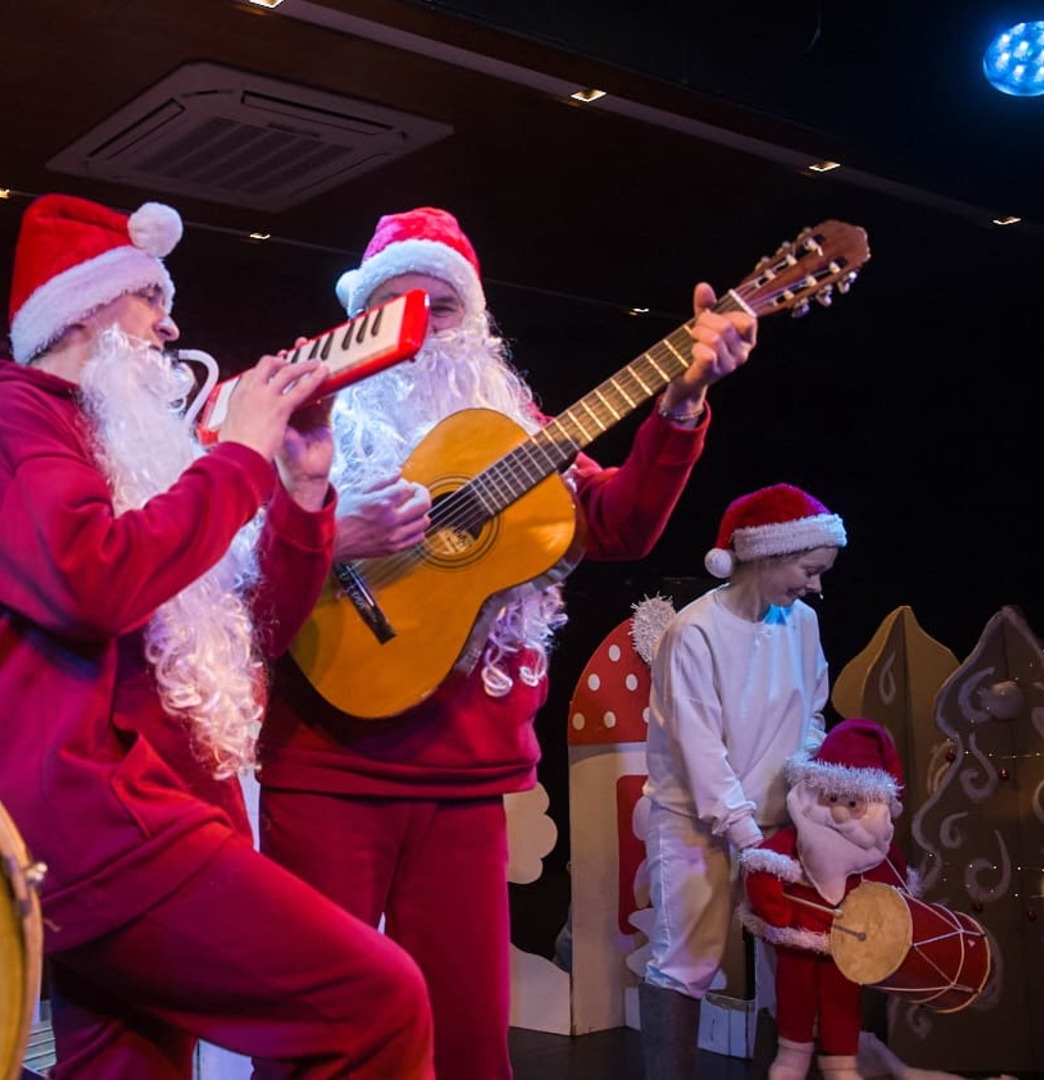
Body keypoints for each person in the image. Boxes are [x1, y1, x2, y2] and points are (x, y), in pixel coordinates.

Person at [0, 193, 432, 1078]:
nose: (171, 325)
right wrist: (238, 457)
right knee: (376, 1002)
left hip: (152, 807)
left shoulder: (119, 441)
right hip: (99, 823)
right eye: (150, 298)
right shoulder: (9, 416)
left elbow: (259, 630)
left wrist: (302, 491)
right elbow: (92, 581)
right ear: (84, 308)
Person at [254, 206, 758, 1079]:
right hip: (328, 760)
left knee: (470, 1036)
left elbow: (618, 523)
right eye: (394, 308)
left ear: (477, 322)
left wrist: (682, 406)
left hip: (465, 775)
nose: (419, 327)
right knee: (319, 1036)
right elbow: (242, 572)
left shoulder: (514, 427)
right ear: (359, 322)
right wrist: (333, 532)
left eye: (441, 306)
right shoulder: (305, 422)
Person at [638, 481, 848, 1079]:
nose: (816, 586)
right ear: (767, 555)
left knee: (787, 956)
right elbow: (700, 747)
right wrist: (744, 833)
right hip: (697, 825)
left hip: (778, 825)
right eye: (809, 570)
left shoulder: (802, 623)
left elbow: (811, 712)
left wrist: (804, 796)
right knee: (687, 960)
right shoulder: (695, 632)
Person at [741, 718, 912, 1080]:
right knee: (794, 993)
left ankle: (841, 1063)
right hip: (798, 933)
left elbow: (896, 895)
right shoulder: (797, 839)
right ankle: (792, 1056)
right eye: (831, 799)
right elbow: (762, 867)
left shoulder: (877, 856)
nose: (838, 811)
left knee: (842, 1000)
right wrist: (777, 910)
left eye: (852, 803)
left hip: (848, 945)